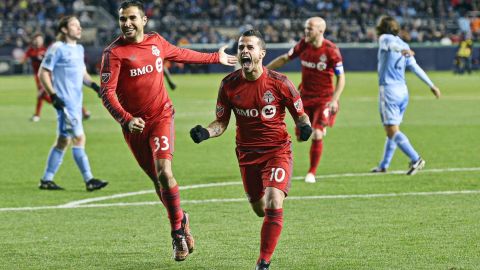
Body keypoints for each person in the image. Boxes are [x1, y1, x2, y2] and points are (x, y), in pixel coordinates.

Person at [99, 0, 237, 262]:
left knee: (165, 171)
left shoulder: (156, 42)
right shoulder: (113, 53)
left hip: (161, 116)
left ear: (143, 21)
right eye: (122, 19)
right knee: (157, 180)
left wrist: (214, 57)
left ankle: (176, 234)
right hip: (134, 126)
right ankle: (181, 218)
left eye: (131, 18)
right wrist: (126, 119)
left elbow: (182, 54)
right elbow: (106, 93)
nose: (127, 23)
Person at [190, 29, 312, 270]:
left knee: (275, 201)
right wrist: (205, 132)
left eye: (249, 47)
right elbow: (221, 122)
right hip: (247, 155)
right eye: (241, 47)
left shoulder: (280, 83)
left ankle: (263, 262)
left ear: (262, 54)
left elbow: (301, 116)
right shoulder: (228, 85)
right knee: (260, 209)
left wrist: (305, 127)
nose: (244, 51)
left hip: (277, 151)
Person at [266, 17, 346, 183]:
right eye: (306, 28)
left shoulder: (331, 51)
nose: (306, 32)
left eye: (310, 29)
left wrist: (334, 100)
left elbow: (341, 78)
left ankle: (311, 173)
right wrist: (264, 71)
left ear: (321, 31)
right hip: (304, 97)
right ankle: (318, 126)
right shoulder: (303, 44)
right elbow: (285, 58)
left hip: (324, 99)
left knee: (316, 134)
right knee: (301, 136)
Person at [38, 15, 107, 191]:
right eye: (74, 25)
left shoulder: (79, 49)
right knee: (79, 138)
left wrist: (94, 86)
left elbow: (82, 73)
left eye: (79, 25)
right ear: (64, 29)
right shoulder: (57, 48)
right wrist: (53, 95)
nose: (79, 28)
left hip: (76, 103)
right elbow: (43, 72)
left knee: (63, 140)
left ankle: (46, 180)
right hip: (66, 103)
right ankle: (89, 180)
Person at [371, 16, 441, 175]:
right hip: (403, 91)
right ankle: (384, 165)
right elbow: (415, 67)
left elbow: (390, 45)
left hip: (389, 90)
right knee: (393, 128)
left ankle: (416, 158)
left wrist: (399, 50)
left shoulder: (385, 39)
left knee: (391, 129)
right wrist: (431, 85)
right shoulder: (404, 44)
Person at [22, 34, 51, 122]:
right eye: (37, 39)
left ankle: (37, 115)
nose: (38, 41)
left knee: (41, 95)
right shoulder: (31, 50)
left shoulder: (45, 50)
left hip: (47, 75)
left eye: (40, 39)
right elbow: (23, 59)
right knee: (41, 95)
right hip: (38, 77)